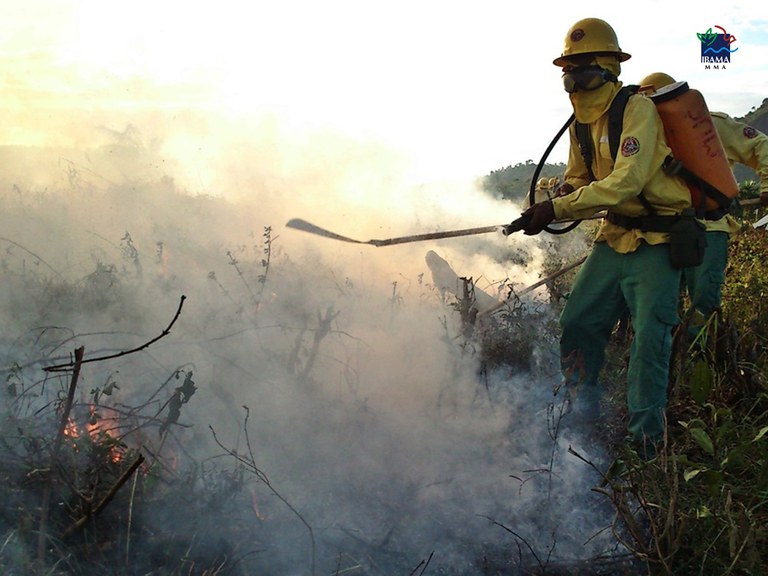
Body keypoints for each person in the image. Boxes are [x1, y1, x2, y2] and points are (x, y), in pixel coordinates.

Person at [519, 18, 693, 454]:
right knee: (578, 322)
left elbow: (625, 183)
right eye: (568, 75)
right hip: (614, 235)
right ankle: (581, 419)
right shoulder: (581, 124)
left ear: (610, 68)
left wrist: (556, 209)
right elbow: (581, 177)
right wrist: (558, 193)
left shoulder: (637, 109)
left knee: (649, 343)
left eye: (583, 72)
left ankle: (645, 443)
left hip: (658, 241)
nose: (575, 83)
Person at [639, 72, 768, 339]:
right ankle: (671, 365)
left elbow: (760, 144)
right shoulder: (641, 134)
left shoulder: (706, 125)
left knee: (703, 307)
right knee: (661, 306)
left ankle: (700, 366)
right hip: (662, 233)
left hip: (707, 228)